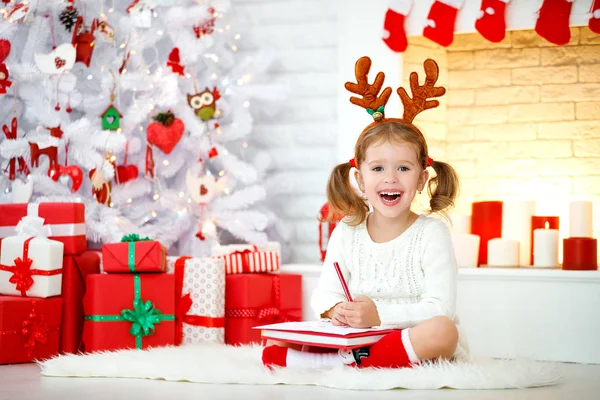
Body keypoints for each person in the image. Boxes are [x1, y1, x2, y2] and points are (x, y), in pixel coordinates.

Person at [262, 56, 469, 370]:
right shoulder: (349, 229)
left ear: (422, 178)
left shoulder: (431, 232)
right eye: (378, 168)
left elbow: (440, 307)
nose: (390, 178)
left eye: (403, 168)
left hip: (407, 336)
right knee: (276, 339)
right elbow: (323, 294)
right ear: (359, 179)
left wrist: (379, 316)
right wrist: (336, 311)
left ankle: (342, 364)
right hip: (358, 335)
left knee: (445, 331)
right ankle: (353, 358)